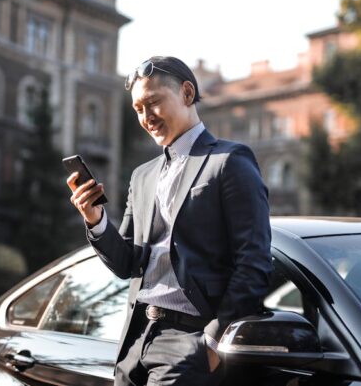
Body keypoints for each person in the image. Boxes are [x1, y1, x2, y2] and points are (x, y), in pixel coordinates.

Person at [67, 56, 272, 386]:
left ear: (187, 94)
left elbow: (255, 261)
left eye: (153, 102)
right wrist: (95, 219)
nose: (146, 117)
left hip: (190, 339)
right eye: (137, 109)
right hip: (136, 337)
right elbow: (127, 265)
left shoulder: (229, 161)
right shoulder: (142, 176)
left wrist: (214, 341)